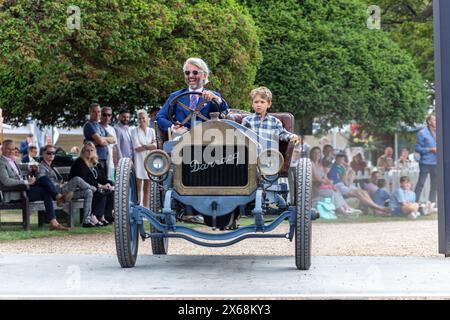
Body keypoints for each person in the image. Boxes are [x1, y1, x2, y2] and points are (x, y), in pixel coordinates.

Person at [0, 140, 71, 230]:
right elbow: (6, 181)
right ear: (2, 149)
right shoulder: (1, 162)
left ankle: (54, 221)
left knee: (44, 180)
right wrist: (26, 182)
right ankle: (58, 199)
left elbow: (20, 167)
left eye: (13, 149)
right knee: (46, 189)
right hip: (16, 193)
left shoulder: (11, 160)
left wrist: (30, 167)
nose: (11, 151)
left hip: (24, 189)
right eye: (8, 149)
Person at [156, 57, 229, 134]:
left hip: (207, 140)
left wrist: (216, 99)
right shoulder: (175, 96)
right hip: (181, 139)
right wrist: (173, 127)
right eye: (187, 73)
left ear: (204, 75)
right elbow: (160, 116)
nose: (190, 76)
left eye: (195, 72)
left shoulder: (212, 96)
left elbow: (224, 112)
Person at [38, 144, 97, 228]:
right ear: (44, 154)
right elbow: (42, 180)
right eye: (49, 153)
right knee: (77, 179)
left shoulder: (52, 167)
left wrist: (64, 183)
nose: (51, 155)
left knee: (88, 192)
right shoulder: (42, 166)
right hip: (56, 192)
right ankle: (94, 189)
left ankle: (86, 221)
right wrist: (59, 185)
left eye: (53, 153)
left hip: (65, 193)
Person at [69, 142, 114, 226]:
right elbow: (85, 180)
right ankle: (94, 215)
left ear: (94, 151)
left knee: (110, 189)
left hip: (94, 186)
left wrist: (107, 183)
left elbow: (103, 178)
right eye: (87, 150)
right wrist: (100, 185)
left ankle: (105, 216)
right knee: (98, 191)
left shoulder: (96, 163)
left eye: (91, 150)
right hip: (81, 188)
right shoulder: (79, 162)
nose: (89, 152)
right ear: (83, 151)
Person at [310, 146, 361, 217]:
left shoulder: (320, 165)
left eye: (318, 153)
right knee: (332, 193)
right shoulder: (310, 164)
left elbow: (325, 177)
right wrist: (326, 182)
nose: (317, 155)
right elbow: (317, 178)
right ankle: (344, 212)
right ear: (311, 154)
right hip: (316, 188)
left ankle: (348, 208)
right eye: (314, 153)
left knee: (336, 191)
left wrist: (330, 184)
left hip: (323, 186)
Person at [131, 109, 157, 208]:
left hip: (150, 160)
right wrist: (149, 145)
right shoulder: (134, 131)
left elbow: (156, 146)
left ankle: (146, 209)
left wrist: (145, 146)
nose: (142, 120)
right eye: (139, 118)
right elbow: (136, 148)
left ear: (147, 118)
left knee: (147, 186)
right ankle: (139, 207)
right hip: (139, 160)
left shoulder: (152, 131)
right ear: (137, 120)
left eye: (143, 118)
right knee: (139, 186)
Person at [83, 103, 116, 180]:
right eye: (94, 112)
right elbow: (101, 141)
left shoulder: (99, 126)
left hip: (104, 158)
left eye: (98, 111)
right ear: (90, 113)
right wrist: (103, 140)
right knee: (97, 182)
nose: (97, 114)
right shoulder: (89, 125)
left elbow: (113, 139)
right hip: (94, 158)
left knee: (104, 181)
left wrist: (101, 139)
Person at [415, 113, 437, 205]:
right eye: (434, 120)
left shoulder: (439, 132)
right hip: (425, 163)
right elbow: (417, 148)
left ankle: (431, 204)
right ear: (429, 121)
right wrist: (430, 149)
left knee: (434, 185)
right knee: (421, 184)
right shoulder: (422, 133)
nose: (436, 121)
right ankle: (415, 203)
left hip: (436, 163)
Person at [100, 106, 118, 182]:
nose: (107, 117)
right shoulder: (96, 127)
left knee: (110, 183)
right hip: (99, 161)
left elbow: (114, 147)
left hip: (110, 163)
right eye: (104, 114)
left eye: (109, 115)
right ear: (100, 115)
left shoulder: (112, 129)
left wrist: (115, 163)